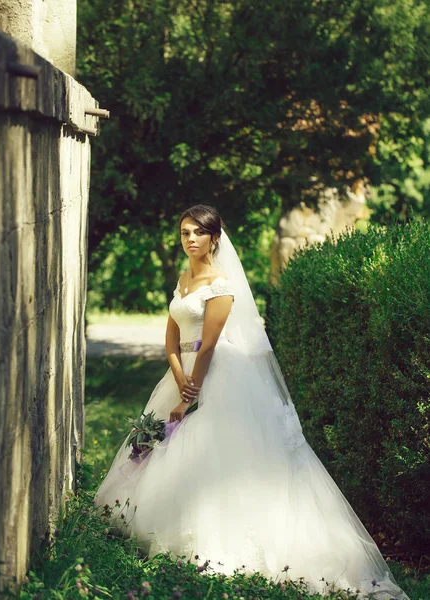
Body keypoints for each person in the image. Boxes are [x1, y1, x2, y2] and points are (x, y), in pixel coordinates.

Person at [94, 204, 409, 599]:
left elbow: (208, 345)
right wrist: (178, 378)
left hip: (215, 375)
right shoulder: (183, 278)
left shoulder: (220, 285)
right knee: (164, 446)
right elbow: (171, 334)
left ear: (213, 237)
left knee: (214, 449)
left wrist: (192, 391)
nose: (189, 239)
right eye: (183, 233)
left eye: (196, 233)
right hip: (181, 375)